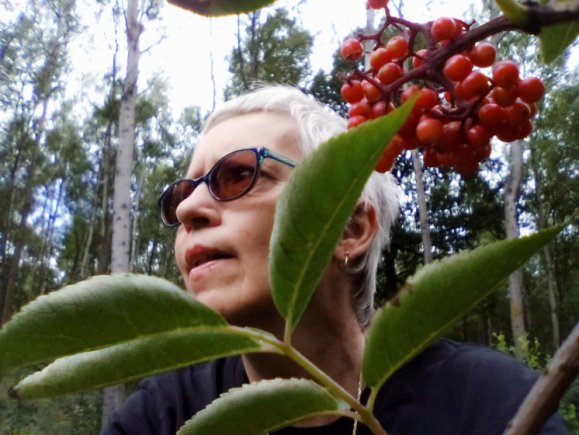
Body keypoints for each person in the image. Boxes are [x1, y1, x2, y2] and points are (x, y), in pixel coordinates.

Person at [102, 85, 567, 434]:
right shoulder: (163, 416)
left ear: (349, 229)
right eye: (181, 194)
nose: (187, 209)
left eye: (239, 174)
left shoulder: (486, 403)